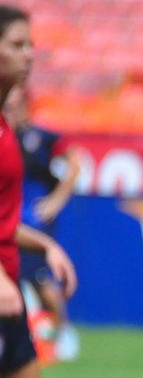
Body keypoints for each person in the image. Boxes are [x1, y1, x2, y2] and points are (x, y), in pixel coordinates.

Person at [0, 5, 78, 378]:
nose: (30, 54)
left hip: (7, 297)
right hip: (3, 291)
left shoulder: (6, 124)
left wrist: (43, 242)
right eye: (17, 45)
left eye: (31, 44)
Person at [2, 83, 82, 361]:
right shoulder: (6, 137)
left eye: (15, 103)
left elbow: (75, 161)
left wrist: (57, 200)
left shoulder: (40, 137)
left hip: (33, 222)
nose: (10, 108)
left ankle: (65, 332)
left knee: (39, 280)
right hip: (13, 219)